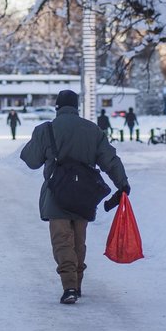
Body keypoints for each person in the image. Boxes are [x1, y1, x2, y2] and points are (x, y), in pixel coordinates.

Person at [21, 90, 129, 305]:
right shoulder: (93, 130)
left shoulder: (47, 129)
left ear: (57, 107)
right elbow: (110, 160)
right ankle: (77, 283)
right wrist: (122, 184)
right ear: (76, 107)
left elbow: (31, 160)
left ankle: (69, 285)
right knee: (79, 241)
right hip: (84, 194)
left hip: (57, 193)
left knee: (62, 240)